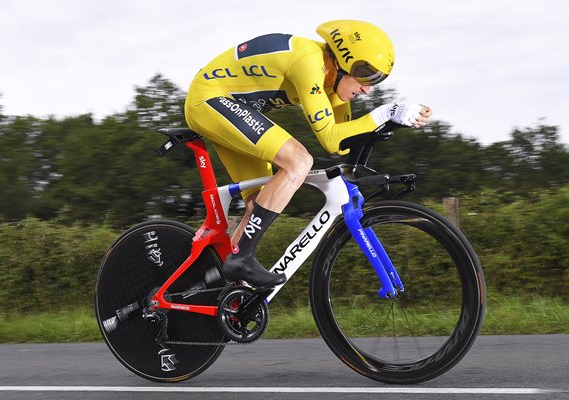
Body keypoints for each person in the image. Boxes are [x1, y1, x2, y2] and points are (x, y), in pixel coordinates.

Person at [184, 20, 432, 288]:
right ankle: (240, 258)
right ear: (344, 61)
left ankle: (218, 292)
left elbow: (341, 144)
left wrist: (393, 122)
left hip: (236, 108)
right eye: (366, 75)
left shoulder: (333, 84)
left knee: (260, 203)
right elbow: (328, 137)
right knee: (298, 161)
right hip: (210, 99)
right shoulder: (309, 62)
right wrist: (384, 112)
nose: (367, 88)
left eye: (375, 80)